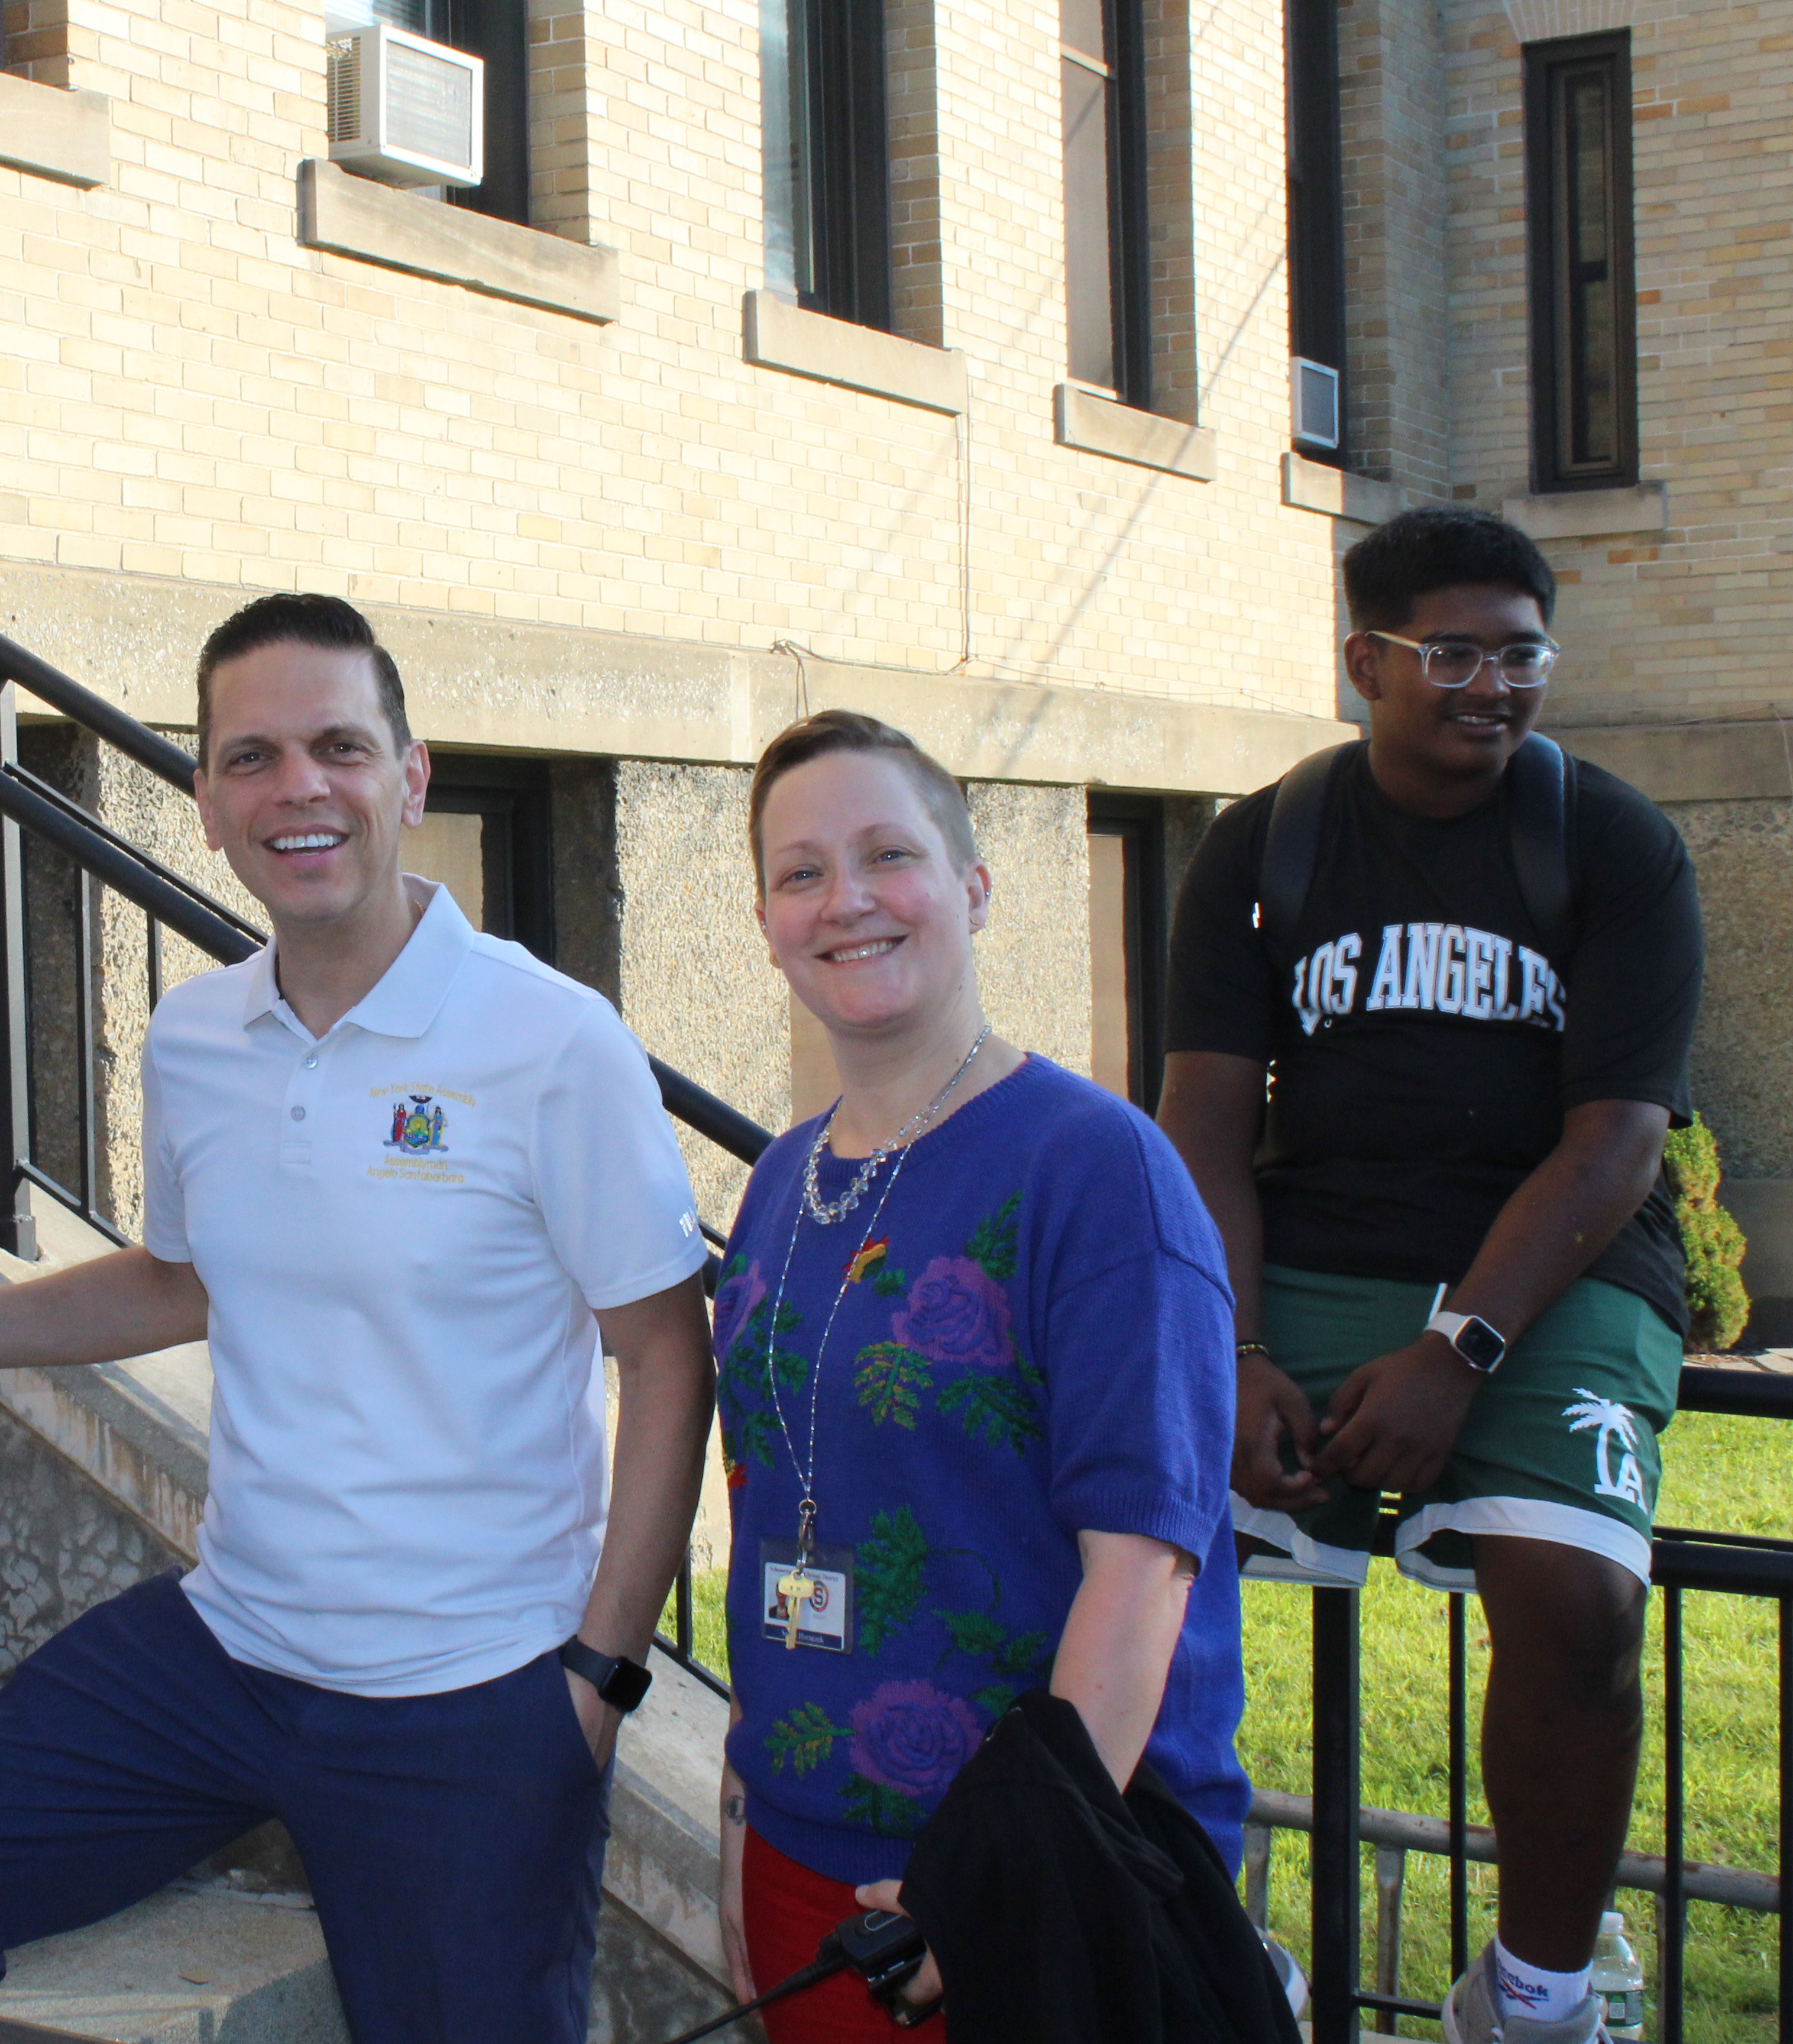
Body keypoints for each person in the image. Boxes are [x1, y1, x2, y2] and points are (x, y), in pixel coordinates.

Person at [0, 592, 716, 2043]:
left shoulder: (552, 1042)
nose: (300, 788)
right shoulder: (197, 1036)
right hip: (230, 1648)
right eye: (252, 757)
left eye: (340, 746)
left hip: (469, 1696)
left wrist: (599, 1676)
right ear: (208, 803)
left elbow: (667, 1357)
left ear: (409, 778)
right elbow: (183, 1280)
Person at [1157, 506, 1702, 2044]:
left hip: (1551, 1269)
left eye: (1521, 652)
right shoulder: (1265, 843)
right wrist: (1237, 1346)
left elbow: (1615, 1147)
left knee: (1582, 1599)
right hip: (1315, 1249)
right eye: (1451, 653)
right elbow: (1203, 1109)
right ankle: (1202, 1933)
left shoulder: (1612, 843)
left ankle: (1534, 1994)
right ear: (1362, 664)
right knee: (1134, 1536)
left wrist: (1459, 1347)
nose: (1494, 685)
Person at [713, 710, 1251, 2041]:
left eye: (888, 854)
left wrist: (995, 1883)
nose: (844, 901)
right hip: (804, 1854)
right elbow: (776, 1498)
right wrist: (741, 1812)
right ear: (770, 919)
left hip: (1040, 1884)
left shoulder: (1097, 1169)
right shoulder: (787, 1175)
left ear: (974, 885)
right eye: (800, 873)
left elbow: (1145, 1568)